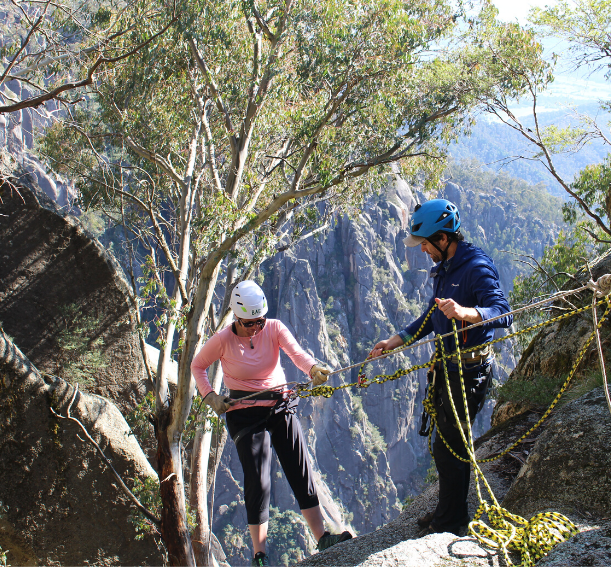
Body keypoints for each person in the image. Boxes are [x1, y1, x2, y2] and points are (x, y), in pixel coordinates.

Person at [369, 198, 512, 535]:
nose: (422, 251)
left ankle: (451, 521)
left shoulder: (476, 267)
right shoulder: (445, 269)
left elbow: (501, 310)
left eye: (425, 244)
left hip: (470, 372)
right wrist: (396, 341)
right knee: (447, 445)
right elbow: (432, 317)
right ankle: (449, 513)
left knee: (450, 446)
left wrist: (466, 313)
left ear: (444, 238)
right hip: (449, 369)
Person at [192, 280, 352, 566]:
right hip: (243, 410)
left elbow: (297, 354)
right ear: (238, 318)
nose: (257, 327)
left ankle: (322, 537)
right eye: (250, 323)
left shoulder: (274, 328)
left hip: (279, 403)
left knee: (299, 466)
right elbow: (198, 366)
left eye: (260, 320)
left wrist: (313, 368)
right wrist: (211, 397)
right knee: (258, 479)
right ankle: (260, 555)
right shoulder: (223, 340)